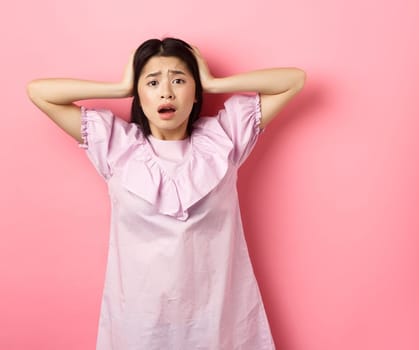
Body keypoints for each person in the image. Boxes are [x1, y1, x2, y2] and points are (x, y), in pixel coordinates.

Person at [26, 37, 305, 349]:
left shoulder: (224, 138)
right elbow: (39, 92)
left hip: (216, 317)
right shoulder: (117, 144)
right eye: (153, 82)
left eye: (179, 80)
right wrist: (119, 87)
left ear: (195, 92)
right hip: (141, 321)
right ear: (139, 94)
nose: (166, 91)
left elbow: (293, 80)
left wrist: (213, 82)